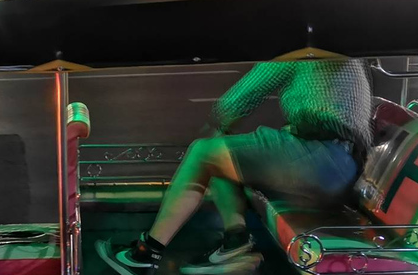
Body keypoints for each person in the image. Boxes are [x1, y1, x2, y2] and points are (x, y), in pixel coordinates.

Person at [96, 59, 374, 275]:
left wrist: (215, 122)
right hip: (338, 166)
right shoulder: (339, 50)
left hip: (319, 157)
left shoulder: (303, 49)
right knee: (222, 154)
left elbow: (242, 96)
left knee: (204, 151)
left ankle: (145, 256)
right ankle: (235, 241)